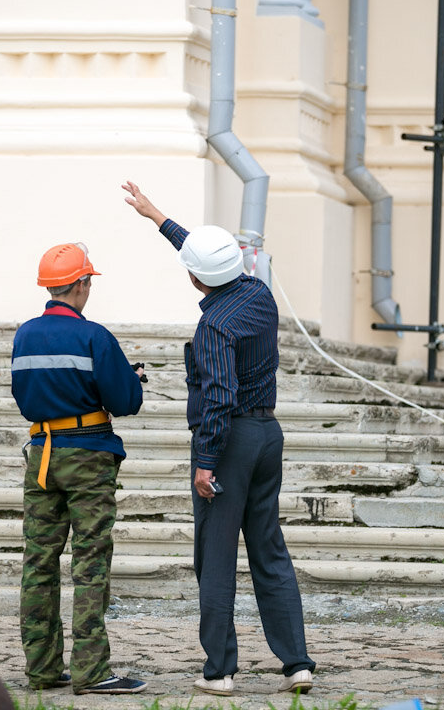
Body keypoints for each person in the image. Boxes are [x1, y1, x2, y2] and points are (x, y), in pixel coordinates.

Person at [122, 181, 317, 696]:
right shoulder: (258, 293)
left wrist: (206, 461)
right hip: (268, 434)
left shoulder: (214, 326)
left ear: (194, 279)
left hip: (229, 441)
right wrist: (157, 216)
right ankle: (297, 664)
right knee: (269, 550)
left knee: (215, 556)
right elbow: (208, 257)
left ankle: (220, 671)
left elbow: (218, 397)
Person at [11, 242, 147, 695]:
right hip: (87, 456)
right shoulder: (94, 336)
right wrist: (131, 378)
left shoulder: (25, 335)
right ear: (82, 284)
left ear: (49, 287)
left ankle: (42, 667)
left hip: (42, 455)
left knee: (39, 561)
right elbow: (124, 401)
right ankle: (91, 671)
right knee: (90, 563)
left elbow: (24, 394)